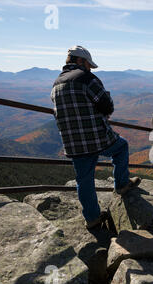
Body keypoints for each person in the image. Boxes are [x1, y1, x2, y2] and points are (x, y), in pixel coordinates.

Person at [51, 45, 140, 230]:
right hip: (96, 137)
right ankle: (122, 184)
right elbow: (107, 106)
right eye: (88, 64)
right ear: (80, 61)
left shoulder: (56, 84)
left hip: (73, 142)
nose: (90, 68)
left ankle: (92, 218)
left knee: (84, 179)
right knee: (121, 146)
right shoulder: (86, 78)